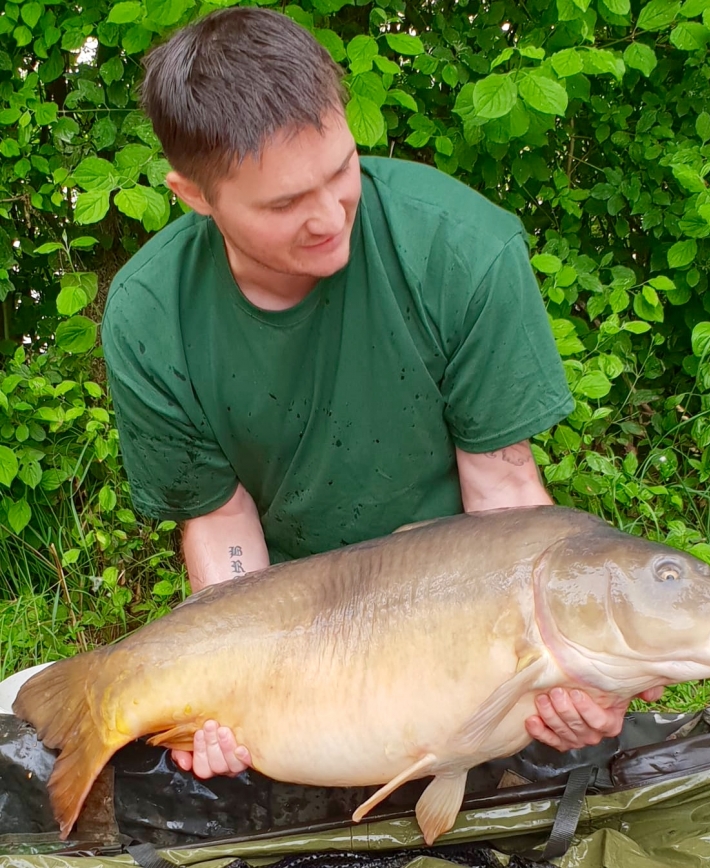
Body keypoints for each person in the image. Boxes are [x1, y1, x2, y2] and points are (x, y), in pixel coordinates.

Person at [101, 7, 661, 783]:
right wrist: (231, 690)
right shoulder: (150, 316)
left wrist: (572, 671)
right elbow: (221, 521)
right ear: (194, 196)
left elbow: (503, 493)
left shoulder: (460, 250)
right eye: (283, 204)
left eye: (341, 170)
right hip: (292, 625)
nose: (330, 216)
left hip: (457, 611)